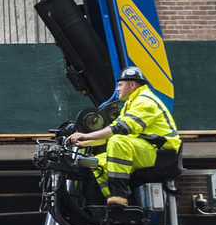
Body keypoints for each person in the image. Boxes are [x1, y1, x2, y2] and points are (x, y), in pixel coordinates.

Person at [70, 66, 181, 208]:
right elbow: (113, 132)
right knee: (96, 162)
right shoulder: (131, 103)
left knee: (118, 142)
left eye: (120, 85)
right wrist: (84, 143)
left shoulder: (145, 101)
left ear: (132, 84)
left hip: (162, 153)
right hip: (147, 150)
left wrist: (85, 136)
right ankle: (117, 203)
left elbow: (120, 129)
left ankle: (119, 195)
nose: (117, 89)